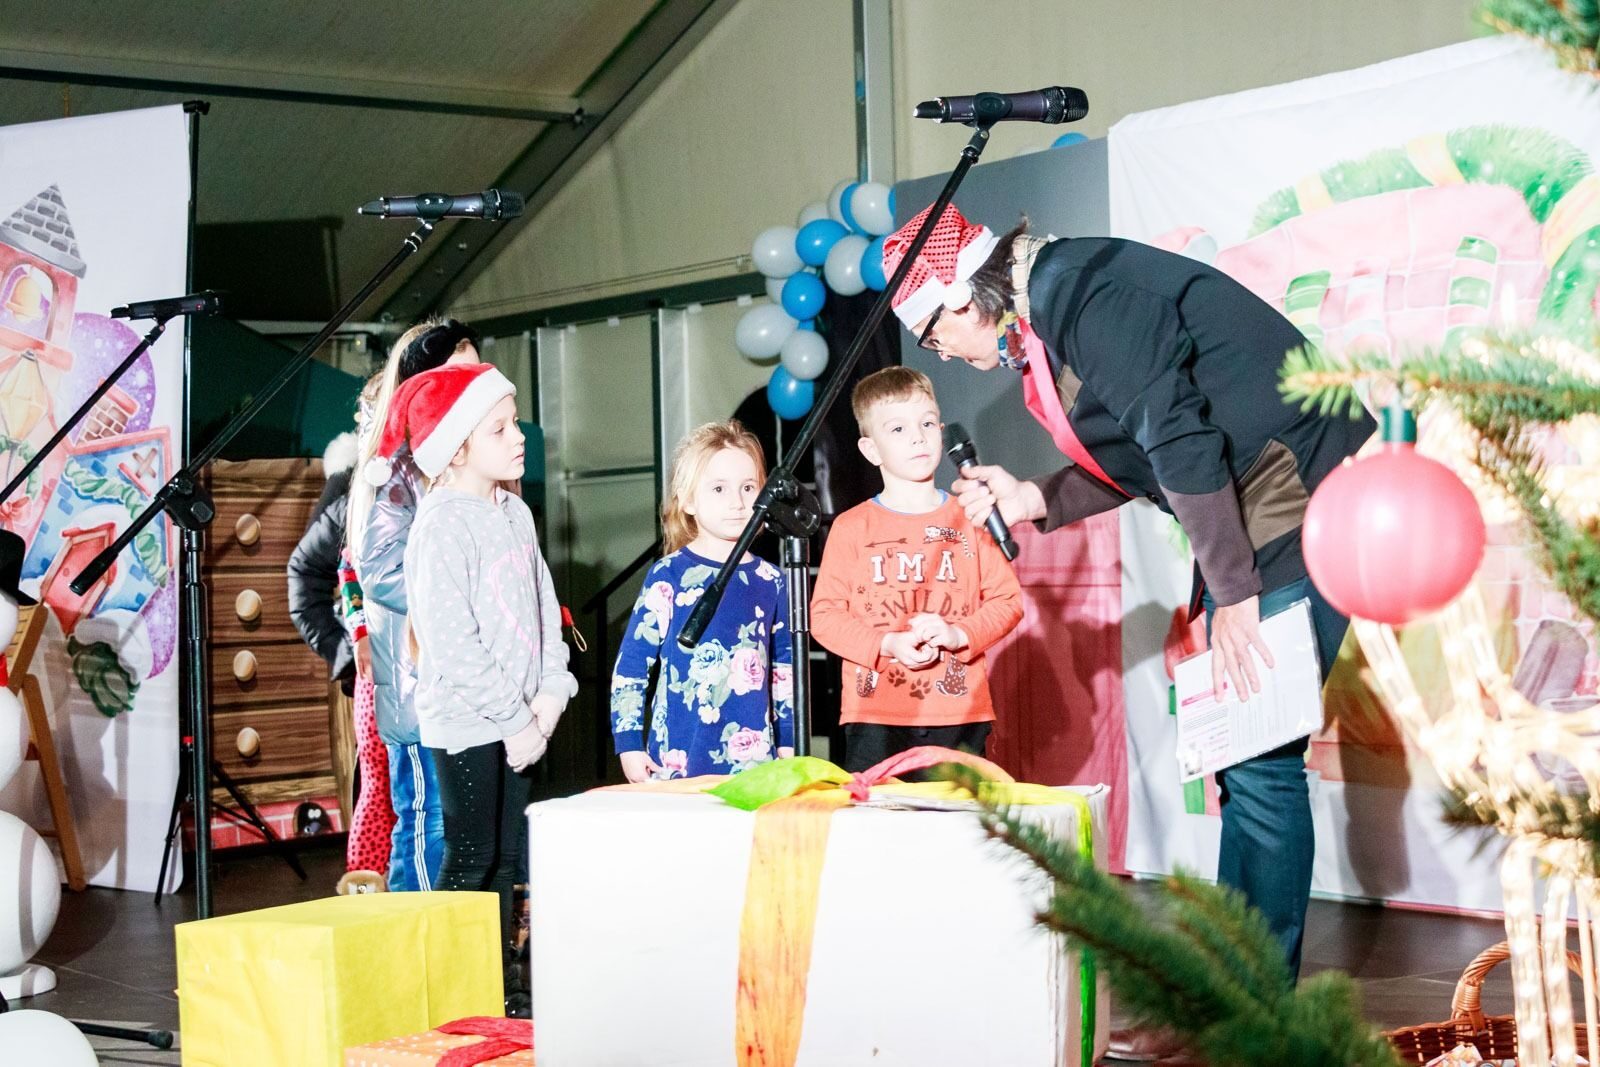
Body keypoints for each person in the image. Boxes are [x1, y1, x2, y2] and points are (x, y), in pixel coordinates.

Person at [881, 204, 1373, 1016]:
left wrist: (1235, 593)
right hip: (1257, 515)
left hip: (1300, 502)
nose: (947, 354)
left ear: (963, 299)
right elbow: (1142, 452)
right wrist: (1035, 495)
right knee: (1246, 763)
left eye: (936, 337)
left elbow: (1178, 441)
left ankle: (1253, 1011)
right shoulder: (1053, 305)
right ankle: (1231, 995)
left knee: (1262, 762)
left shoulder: (1084, 295)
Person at [376, 361, 575, 1018]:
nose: (519, 437)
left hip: (522, 721)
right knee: (472, 856)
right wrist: (513, 719)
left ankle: (504, 987)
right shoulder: (440, 524)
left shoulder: (514, 511)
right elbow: (451, 640)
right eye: (499, 428)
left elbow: (543, 608)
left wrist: (550, 691)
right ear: (457, 449)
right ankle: (454, 991)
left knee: (511, 859)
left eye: (514, 422)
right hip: (469, 723)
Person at [810, 367, 1023, 772]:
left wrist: (958, 634)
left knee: (958, 812)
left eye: (927, 424)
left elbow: (1007, 601)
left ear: (941, 431)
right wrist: (886, 644)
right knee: (881, 813)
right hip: (875, 716)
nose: (917, 437)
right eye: (898, 429)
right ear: (871, 450)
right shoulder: (852, 527)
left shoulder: (971, 516)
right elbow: (824, 616)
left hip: (959, 713)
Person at [347, 318, 483, 892]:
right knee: (426, 822)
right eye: (456, 374)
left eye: (476, 373)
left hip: (467, 683)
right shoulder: (400, 468)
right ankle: (414, 932)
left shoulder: (471, 460)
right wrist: (460, 602)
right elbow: (378, 570)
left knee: (464, 828)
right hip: (419, 685)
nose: (471, 385)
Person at [610, 420, 794, 780]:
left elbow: (784, 669)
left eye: (748, 487)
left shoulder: (771, 580)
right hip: (677, 763)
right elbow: (632, 664)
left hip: (753, 765)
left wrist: (787, 741)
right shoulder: (669, 575)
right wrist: (628, 742)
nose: (737, 503)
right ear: (689, 500)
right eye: (719, 489)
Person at [287, 430, 396, 886]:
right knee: (379, 784)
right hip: (375, 666)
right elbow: (307, 572)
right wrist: (342, 650)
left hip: (434, 668)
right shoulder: (355, 496)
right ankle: (369, 889)